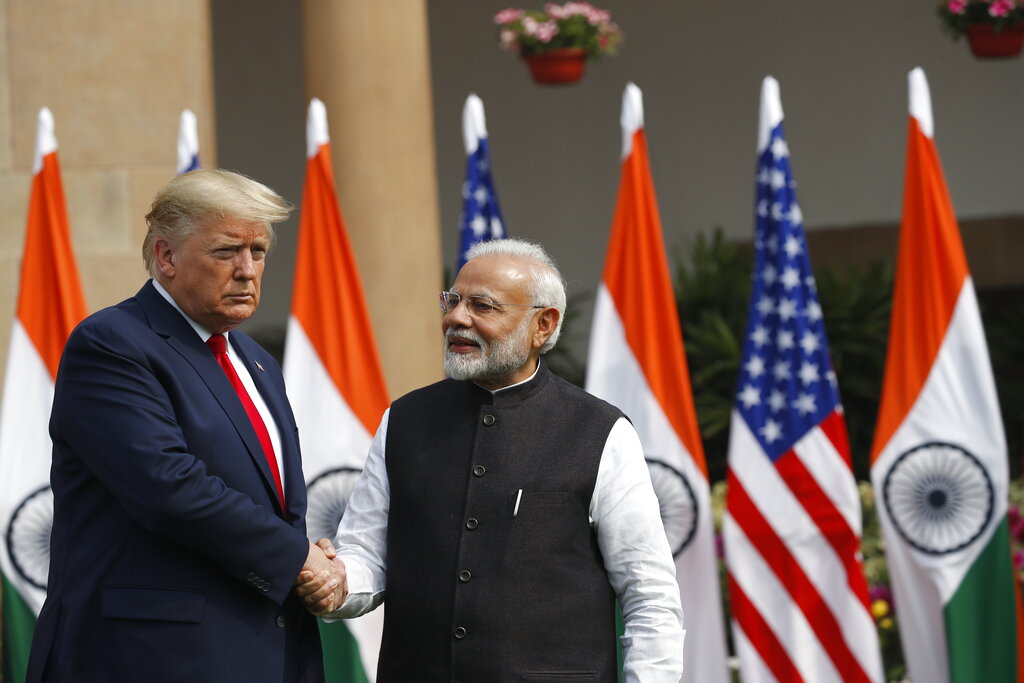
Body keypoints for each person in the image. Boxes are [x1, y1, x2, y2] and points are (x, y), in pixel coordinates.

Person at [26, 169, 342, 682]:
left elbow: (270, 499)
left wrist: (308, 552)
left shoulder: (255, 359)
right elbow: (167, 487)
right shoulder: (113, 343)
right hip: (152, 658)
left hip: (264, 650)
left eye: (258, 251)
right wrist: (298, 559)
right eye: (225, 252)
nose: (247, 270)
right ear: (166, 257)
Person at [322, 238, 685, 681]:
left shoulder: (600, 431)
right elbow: (366, 553)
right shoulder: (405, 419)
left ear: (543, 326)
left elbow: (649, 596)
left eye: (482, 306)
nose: (456, 318)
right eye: (452, 301)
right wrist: (337, 582)